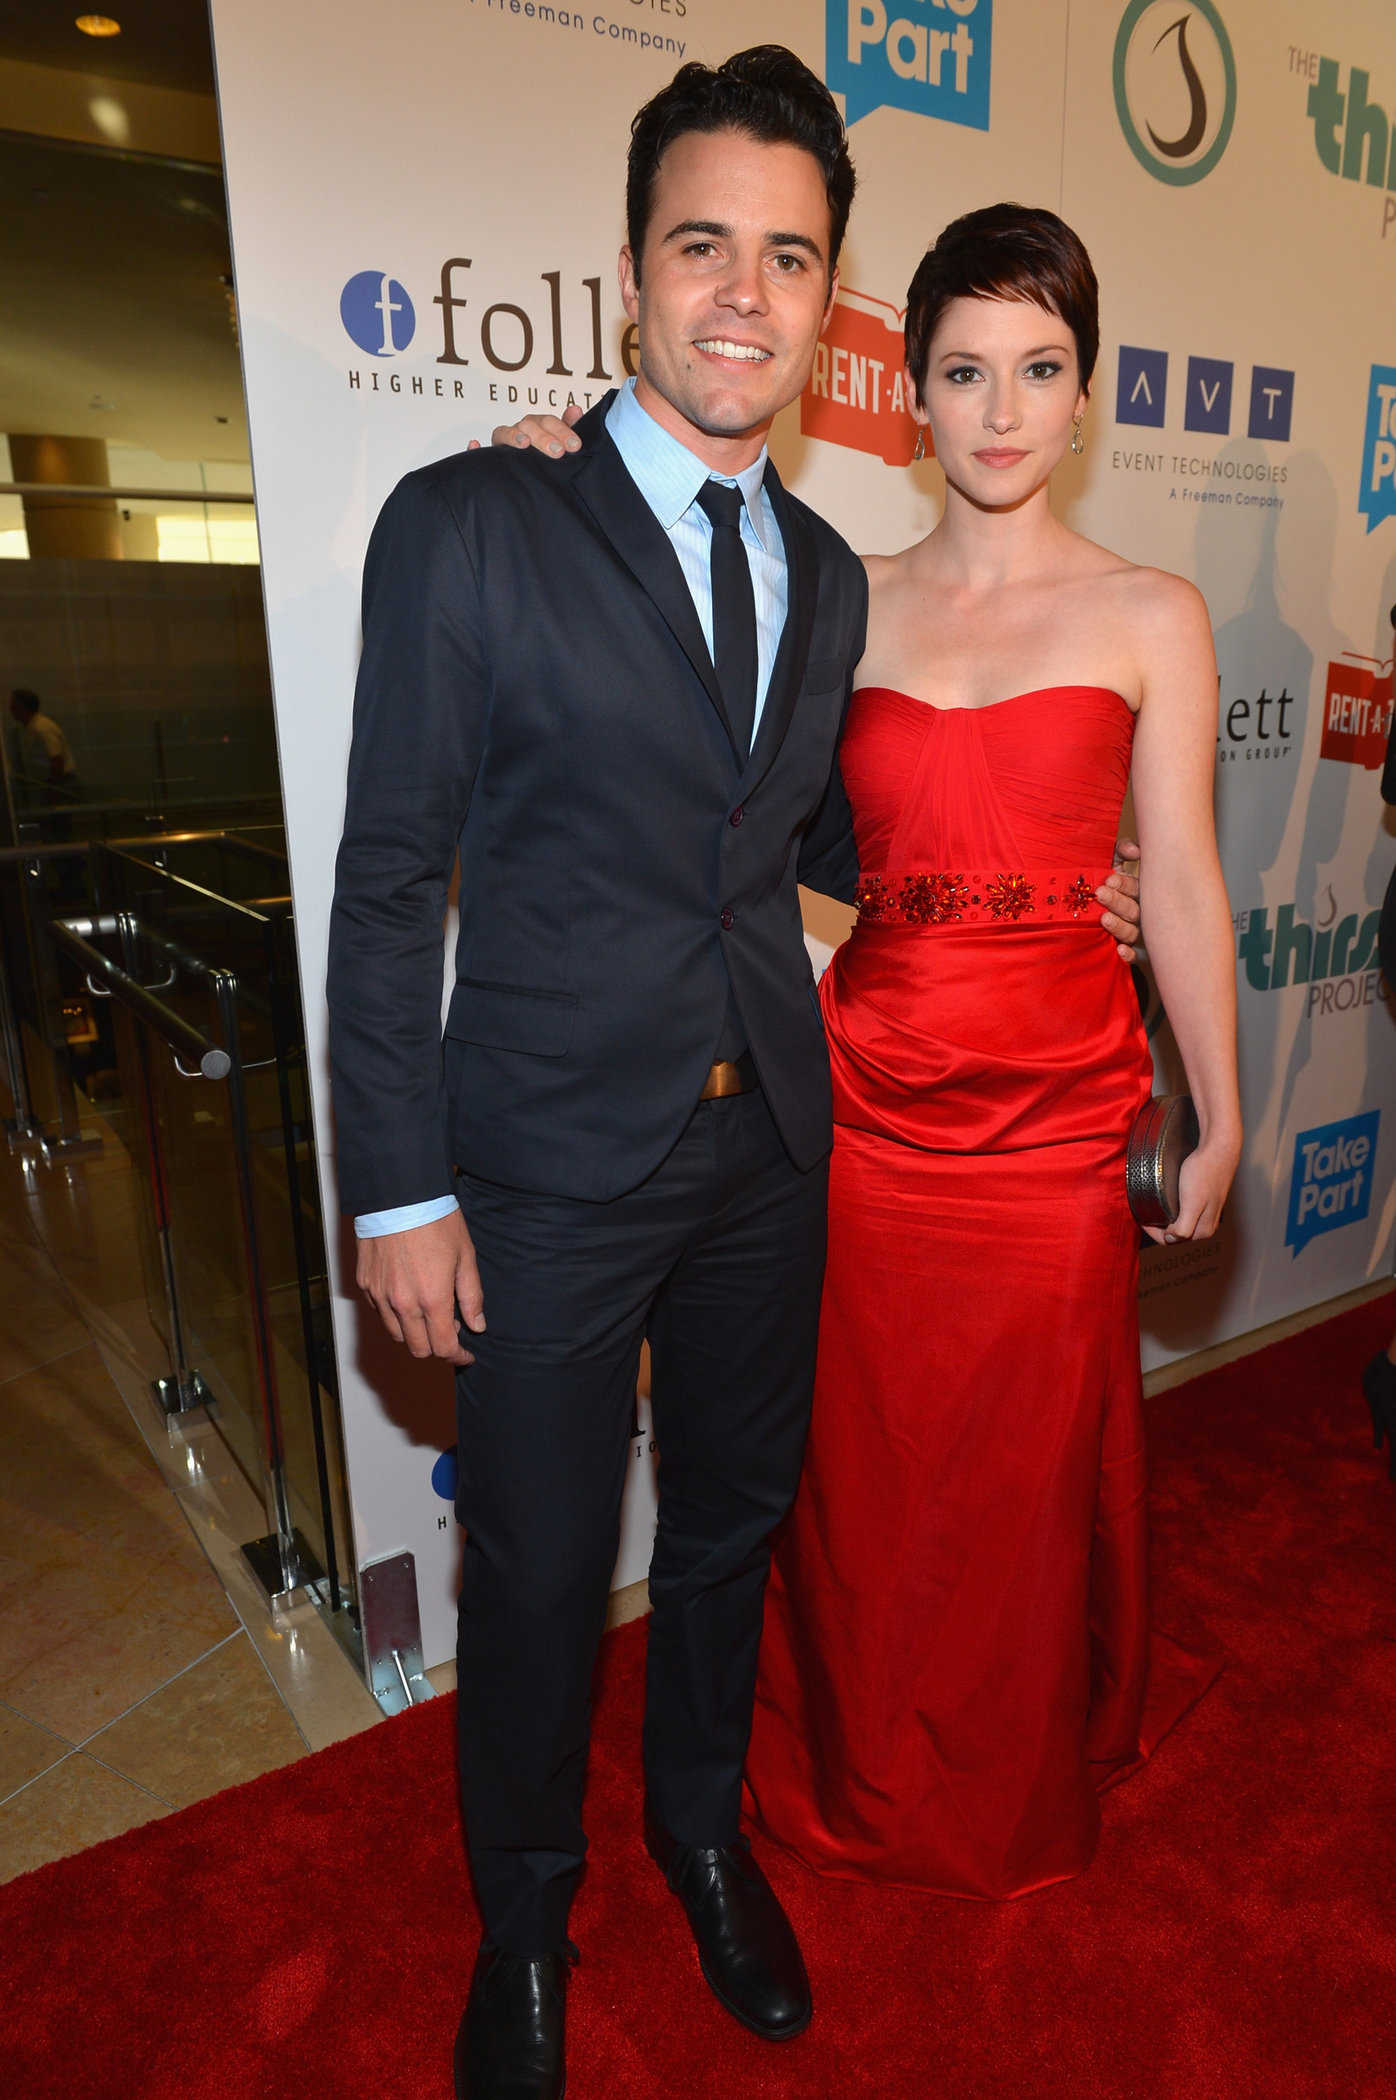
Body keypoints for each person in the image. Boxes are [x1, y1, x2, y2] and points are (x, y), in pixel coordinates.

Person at [331, 53, 1138, 2100]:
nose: (743, 294)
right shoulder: (473, 520)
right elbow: (387, 878)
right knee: (535, 1575)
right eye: (704, 245)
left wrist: (1050, 874)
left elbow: (830, 840)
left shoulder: (829, 575)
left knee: (725, 1535)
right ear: (630, 273)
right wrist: (399, 1191)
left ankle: (698, 1835)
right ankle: (525, 1924)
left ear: (825, 300)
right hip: (536, 1170)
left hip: (774, 1149)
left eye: (788, 258)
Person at [8, 689, 77, 795]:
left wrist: (54, 791)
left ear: (21, 707)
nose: (10, 709)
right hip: (56, 783)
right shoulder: (32, 727)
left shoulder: (41, 727)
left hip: (61, 783)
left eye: (13, 706)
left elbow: (57, 759)